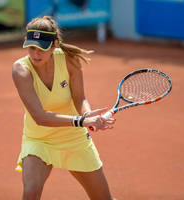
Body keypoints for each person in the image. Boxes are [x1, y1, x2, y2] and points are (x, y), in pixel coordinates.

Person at [12, 16, 116, 200]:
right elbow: (40, 117)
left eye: (42, 48)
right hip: (39, 139)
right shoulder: (21, 70)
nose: (35, 54)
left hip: (73, 139)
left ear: (54, 45)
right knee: (30, 193)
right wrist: (83, 121)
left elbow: (79, 98)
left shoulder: (70, 60)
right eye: (31, 48)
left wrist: (87, 113)